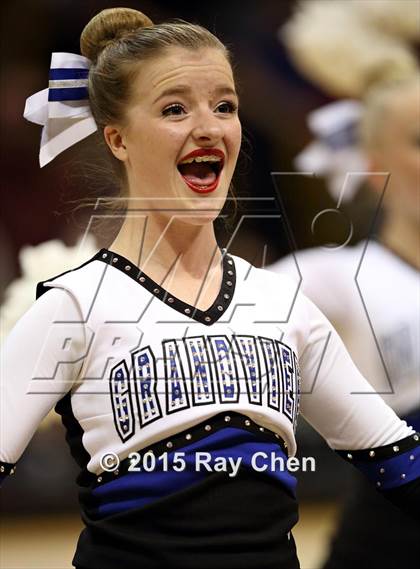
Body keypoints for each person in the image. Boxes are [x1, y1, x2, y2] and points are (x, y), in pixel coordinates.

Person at [1, 8, 419, 569]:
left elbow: (400, 464)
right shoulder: (74, 306)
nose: (209, 126)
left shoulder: (280, 302)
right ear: (118, 138)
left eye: (225, 106)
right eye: (175, 108)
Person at [269, 1, 420, 567]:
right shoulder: (338, 276)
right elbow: (206, 313)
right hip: (390, 543)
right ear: (376, 160)